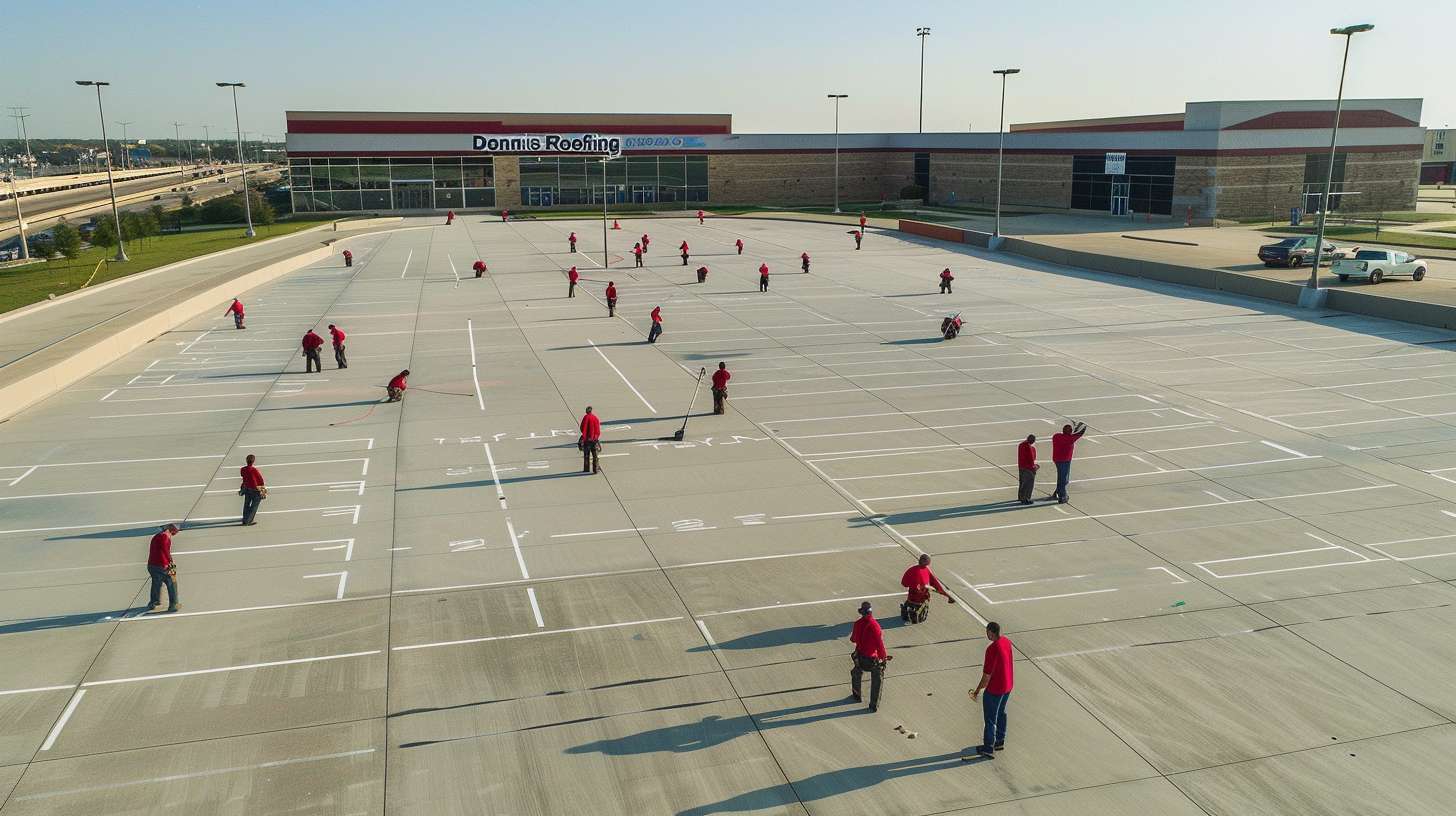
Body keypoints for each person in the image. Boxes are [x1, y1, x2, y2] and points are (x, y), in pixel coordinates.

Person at [968, 621, 1014, 759]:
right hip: (1008, 685)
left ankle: (988, 747)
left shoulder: (991, 649)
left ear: (991, 632)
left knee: (990, 719)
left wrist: (976, 691)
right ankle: (999, 741)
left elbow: (986, 676)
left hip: (995, 689)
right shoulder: (1007, 642)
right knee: (1001, 712)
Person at [849, 601, 891, 712]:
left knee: (856, 672)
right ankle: (873, 704)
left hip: (859, 656)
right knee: (877, 679)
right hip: (872, 659)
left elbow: (853, 639)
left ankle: (856, 694)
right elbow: (880, 645)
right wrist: (884, 658)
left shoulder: (857, 624)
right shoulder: (875, 626)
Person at [900, 554, 954, 623]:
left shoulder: (911, 570)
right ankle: (914, 613)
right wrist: (948, 596)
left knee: (911, 608)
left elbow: (904, 583)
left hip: (911, 599)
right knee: (919, 617)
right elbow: (936, 585)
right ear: (927, 562)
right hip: (920, 601)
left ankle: (908, 611)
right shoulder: (926, 570)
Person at [1049, 422, 1087, 503]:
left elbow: (1075, 434)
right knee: (1064, 480)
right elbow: (1080, 433)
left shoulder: (1056, 436)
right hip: (1064, 461)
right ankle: (1062, 496)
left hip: (1057, 459)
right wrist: (1084, 426)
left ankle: (1056, 493)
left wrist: (1075, 427)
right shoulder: (1070, 439)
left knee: (1061, 477)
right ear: (1070, 432)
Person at [146, 523, 180, 612]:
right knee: (172, 583)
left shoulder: (156, 536)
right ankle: (173, 604)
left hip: (152, 565)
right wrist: (170, 562)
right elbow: (165, 551)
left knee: (156, 583)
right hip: (162, 565)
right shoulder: (165, 537)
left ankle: (154, 602)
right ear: (171, 530)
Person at [240, 454, 265, 526]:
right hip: (255, 489)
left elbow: (243, 476)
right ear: (253, 461)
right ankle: (248, 521)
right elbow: (260, 480)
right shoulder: (254, 470)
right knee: (254, 506)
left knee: (246, 504)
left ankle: (245, 519)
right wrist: (262, 489)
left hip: (247, 488)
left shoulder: (243, 469)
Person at [579, 405, 602, 474]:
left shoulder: (585, 417)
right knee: (595, 455)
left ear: (586, 411)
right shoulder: (595, 418)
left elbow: (582, 427)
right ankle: (595, 469)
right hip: (594, 440)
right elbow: (598, 429)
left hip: (587, 440)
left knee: (586, 455)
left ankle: (586, 468)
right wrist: (596, 437)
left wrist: (584, 435)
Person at [1016, 434, 1038, 505]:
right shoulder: (1029, 447)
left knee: (1022, 483)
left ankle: (1021, 496)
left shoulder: (1021, 445)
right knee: (1028, 484)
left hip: (1021, 466)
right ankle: (1026, 498)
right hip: (1028, 468)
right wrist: (1034, 467)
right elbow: (1031, 459)